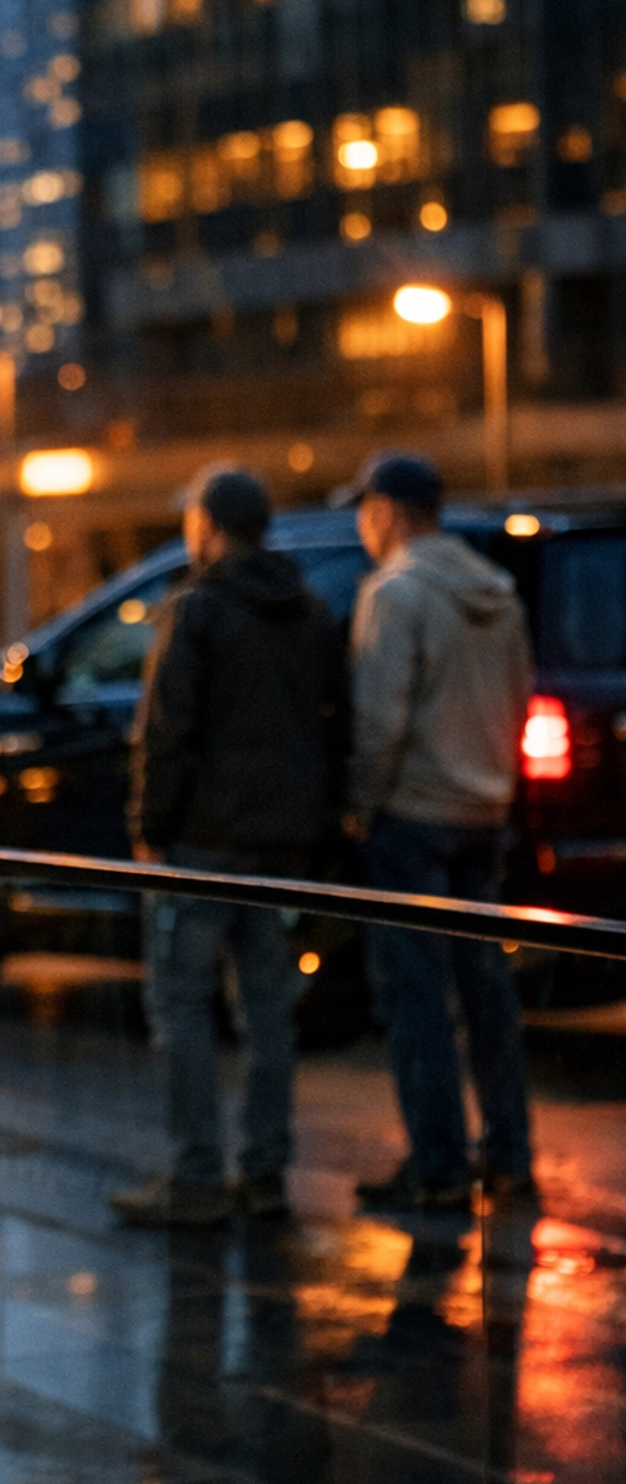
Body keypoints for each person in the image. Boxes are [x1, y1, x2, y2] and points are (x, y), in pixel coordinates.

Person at [111, 467, 346, 1229]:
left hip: (202, 845)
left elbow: (165, 731)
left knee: (181, 1005)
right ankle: (266, 1173)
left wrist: (150, 827)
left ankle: (197, 1176)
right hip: (282, 849)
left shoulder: (197, 609)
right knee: (269, 1012)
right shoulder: (310, 611)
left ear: (208, 527)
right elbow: (332, 726)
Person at [340, 451, 535, 1211]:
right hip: (483, 813)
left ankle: (439, 1166)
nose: (363, 529)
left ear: (388, 512)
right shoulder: (499, 592)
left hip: (413, 815)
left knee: (417, 996)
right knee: (488, 991)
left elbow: (380, 719)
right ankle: (509, 1154)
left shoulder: (395, 592)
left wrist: (362, 806)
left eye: (365, 512)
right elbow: (519, 699)